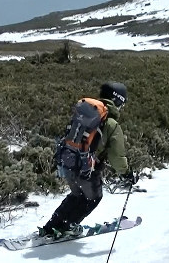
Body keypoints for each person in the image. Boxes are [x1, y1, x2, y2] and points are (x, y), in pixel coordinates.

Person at [38, 82, 136, 238]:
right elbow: (116, 156)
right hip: (88, 168)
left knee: (76, 196)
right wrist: (126, 173)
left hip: (69, 163)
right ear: (117, 101)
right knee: (93, 198)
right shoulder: (111, 124)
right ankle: (69, 226)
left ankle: (51, 226)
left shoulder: (85, 114)